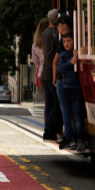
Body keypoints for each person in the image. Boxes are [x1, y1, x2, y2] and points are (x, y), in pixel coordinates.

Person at [57, 31, 86, 152]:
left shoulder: (77, 53)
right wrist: (70, 62)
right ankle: (74, 138)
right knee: (71, 116)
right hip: (66, 88)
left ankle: (80, 140)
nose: (66, 43)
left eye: (69, 41)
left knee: (77, 115)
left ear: (74, 41)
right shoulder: (64, 55)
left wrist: (75, 59)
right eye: (64, 41)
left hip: (76, 88)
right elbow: (60, 68)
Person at [40, 9, 63, 142]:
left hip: (45, 72)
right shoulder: (55, 33)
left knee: (49, 104)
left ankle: (48, 131)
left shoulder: (43, 33)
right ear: (55, 19)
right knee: (57, 104)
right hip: (52, 72)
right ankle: (49, 130)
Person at [52, 14, 73, 148]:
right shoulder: (74, 38)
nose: (57, 28)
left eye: (58, 25)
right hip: (72, 79)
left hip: (62, 78)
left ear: (64, 25)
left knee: (64, 107)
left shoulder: (62, 41)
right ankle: (72, 136)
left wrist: (54, 77)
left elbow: (55, 61)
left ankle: (68, 136)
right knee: (72, 109)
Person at [32, 18, 49, 105]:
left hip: (40, 73)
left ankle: (46, 119)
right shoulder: (50, 39)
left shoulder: (35, 44)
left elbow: (35, 61)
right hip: (50, 71)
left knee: (46, 101)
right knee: (53, 101)